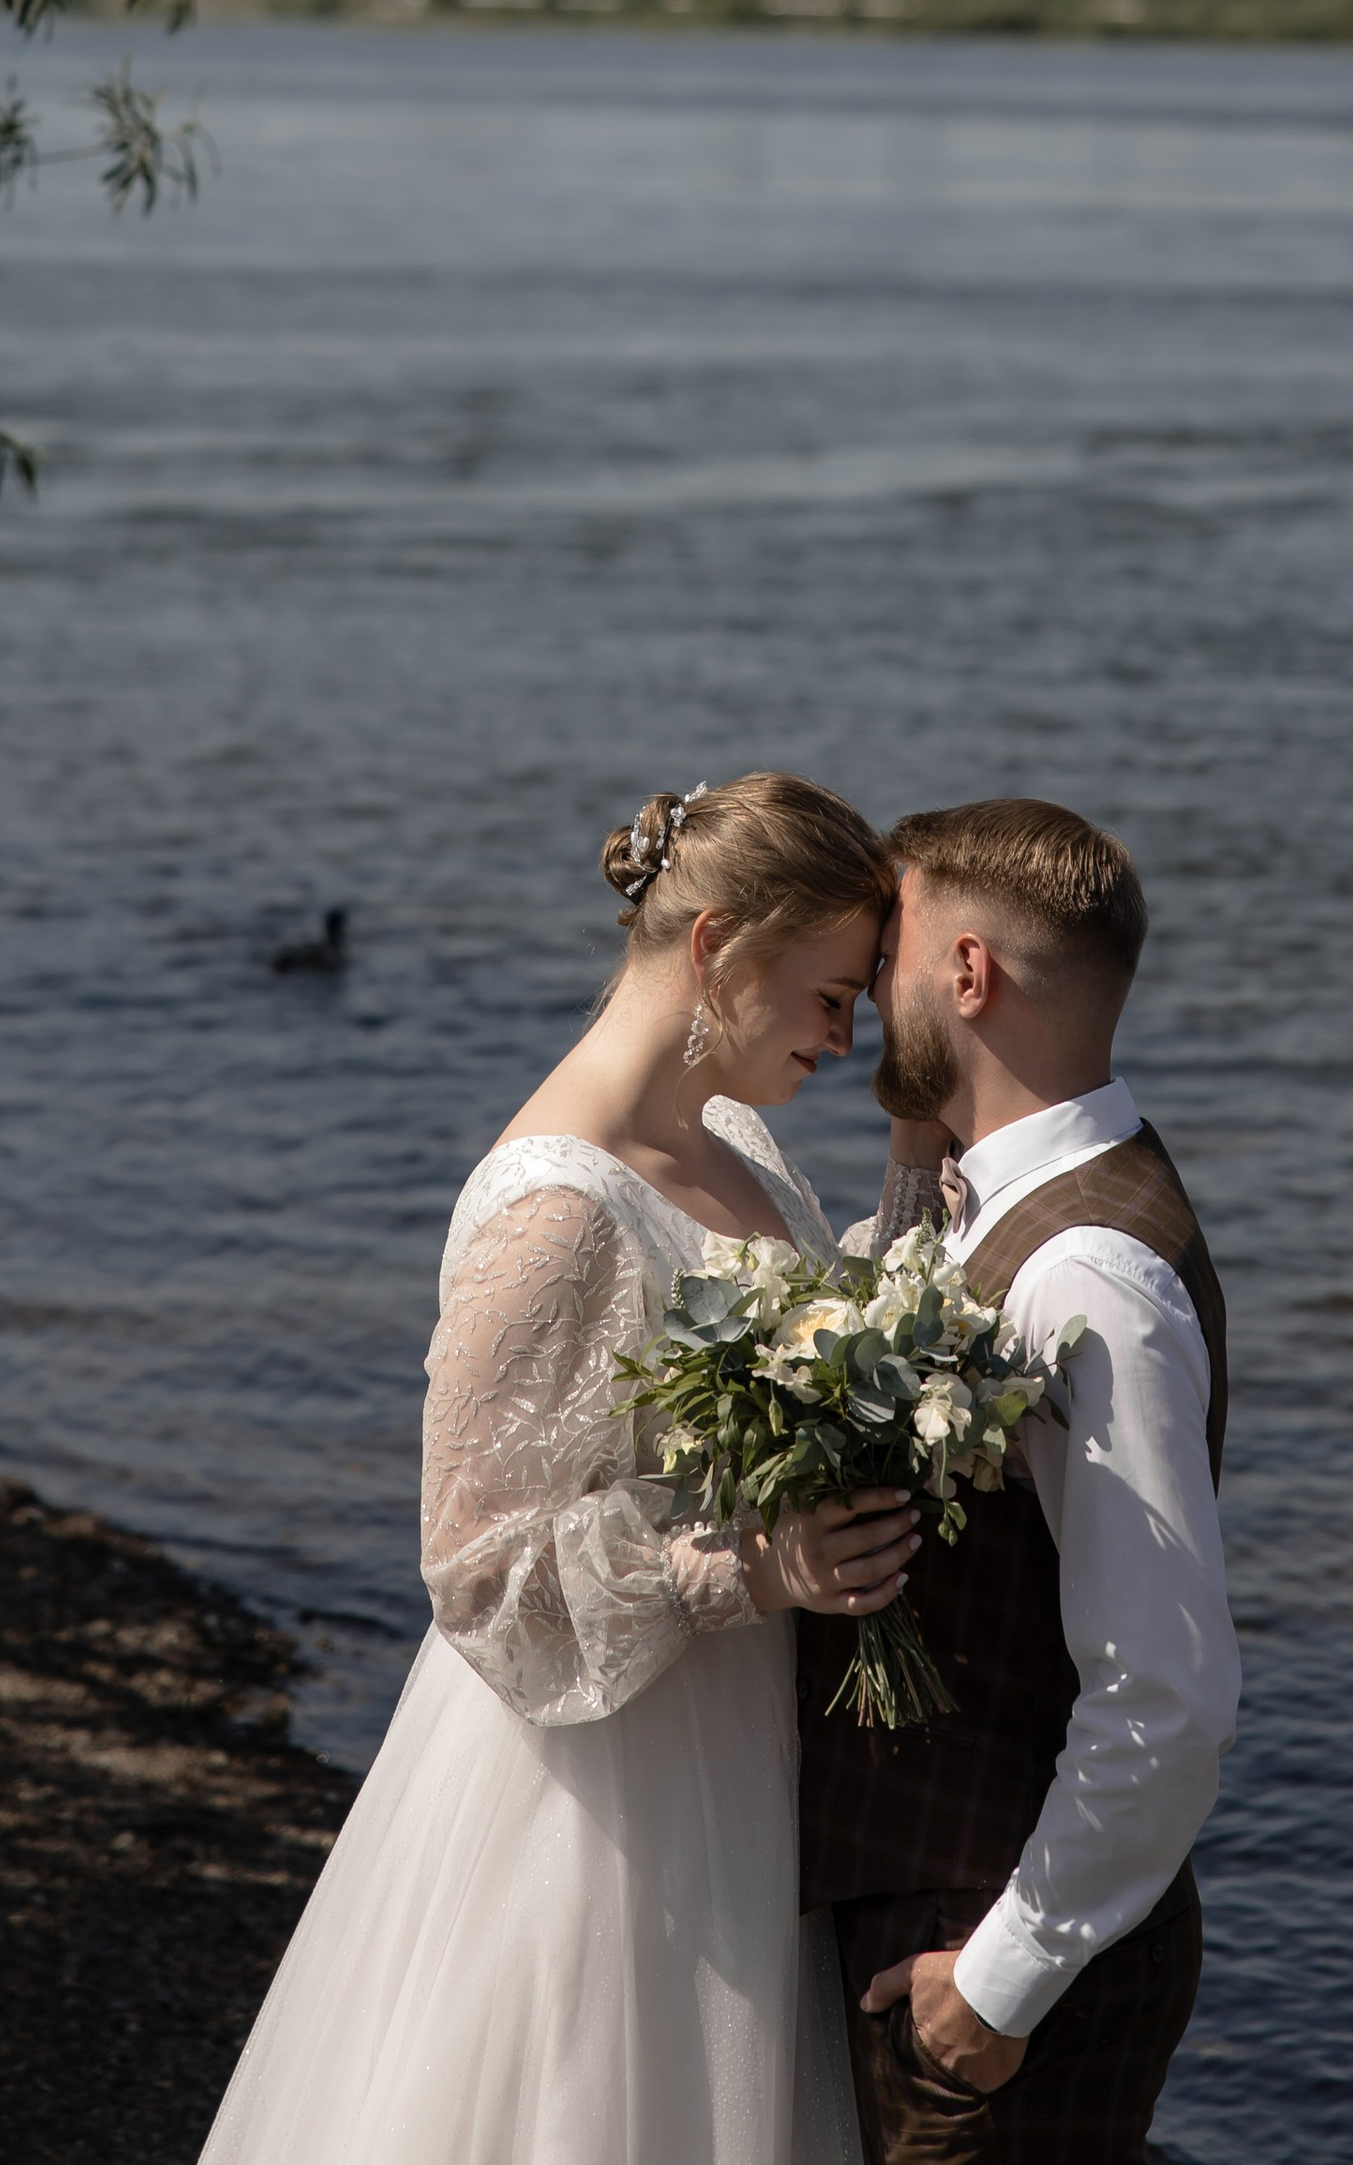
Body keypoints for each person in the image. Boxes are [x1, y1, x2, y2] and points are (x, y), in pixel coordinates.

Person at [194, 770, 941, 2165]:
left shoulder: (729, 1137)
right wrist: (755, 1571)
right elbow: (478, 1571)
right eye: (831, 996)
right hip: (604, 1791)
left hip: (736, 1743)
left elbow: (825, 1339)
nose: (843, 1042)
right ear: (717, 945)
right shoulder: (555, 1213)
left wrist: (917, 1154)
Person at [798, 800, 1240, 2164]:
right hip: (952, 1913)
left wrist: (989, 1994)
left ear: (969, 974)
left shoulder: (1087, 1275)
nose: (871, 992)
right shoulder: (990, 1204)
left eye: (891, 962)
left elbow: (1168, 1697)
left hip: (995, 1962)